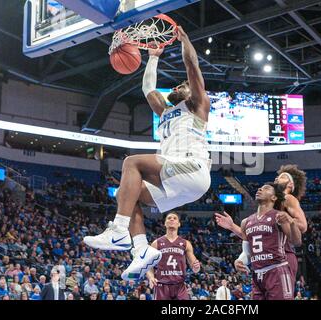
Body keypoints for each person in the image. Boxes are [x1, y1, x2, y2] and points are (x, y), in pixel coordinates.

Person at [84, 26, 212, 281]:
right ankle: (142, 251)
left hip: (192, 168)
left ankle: (119, 230)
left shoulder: (198, 105)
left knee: (133, 162)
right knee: (126, 195)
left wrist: (185, 40)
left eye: (183, 86)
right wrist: (153, 57)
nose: (180, 85)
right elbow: (148, 89)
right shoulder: (166, 112)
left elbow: (192, 67)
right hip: (176, 178)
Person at [216, 165, 307, 288]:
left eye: (283, 177)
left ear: (290, 185)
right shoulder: (267, 207)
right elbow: (253, 236)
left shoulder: (288, 198)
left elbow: (303, 226)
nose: (276, 179)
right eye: (277, 177)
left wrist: (287, 219)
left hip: (283, 255)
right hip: (267, 255)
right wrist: (232, 226)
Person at [234, 183, 301, 300]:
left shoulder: (279, 216)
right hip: (257, 275)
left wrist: (292, 224)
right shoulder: (246, 222)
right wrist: (240, 261)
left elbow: (297, 242)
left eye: (266, 188)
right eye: (260, 187)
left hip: (277, 271)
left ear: (274, 198)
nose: (259, 188)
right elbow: (247, 253)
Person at [146, 212, 201, 300]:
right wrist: (151, 277)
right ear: (165, 223)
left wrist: (196, 267)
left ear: (179, 224)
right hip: (162, 285)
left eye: (175, 218)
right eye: (169, 218)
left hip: (180, 285)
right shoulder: (156, 243)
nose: (172, 219)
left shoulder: (186, 243)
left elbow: (194, 266)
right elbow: (148, 265)